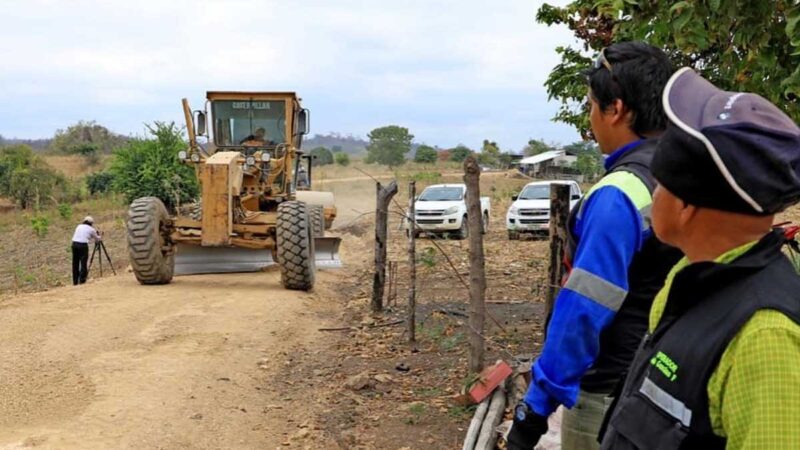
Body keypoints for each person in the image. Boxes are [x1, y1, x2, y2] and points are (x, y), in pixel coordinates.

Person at [599, 68, 800, 449]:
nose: (652, 195)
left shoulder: (765, 339)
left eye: (660, 184)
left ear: (686, 205)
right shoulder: (689, 277)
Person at [507, 42, 681, 450]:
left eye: (590, 106)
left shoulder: (618, 194)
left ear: (616, 108)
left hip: (609, 390)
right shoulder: (681, 177)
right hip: (667, 380)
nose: (589, 119)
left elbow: (585, 307)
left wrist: (536, 405)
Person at [71, 216, 101, 285]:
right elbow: (97, 239)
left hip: (74, 244)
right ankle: (82, 280)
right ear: (91, 223)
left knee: (75, 263)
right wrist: (100, 236)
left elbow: (83, 235)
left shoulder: (79, 226)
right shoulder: (91, 229)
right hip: (83, 246)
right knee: (83, 263)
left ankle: (75, 281)